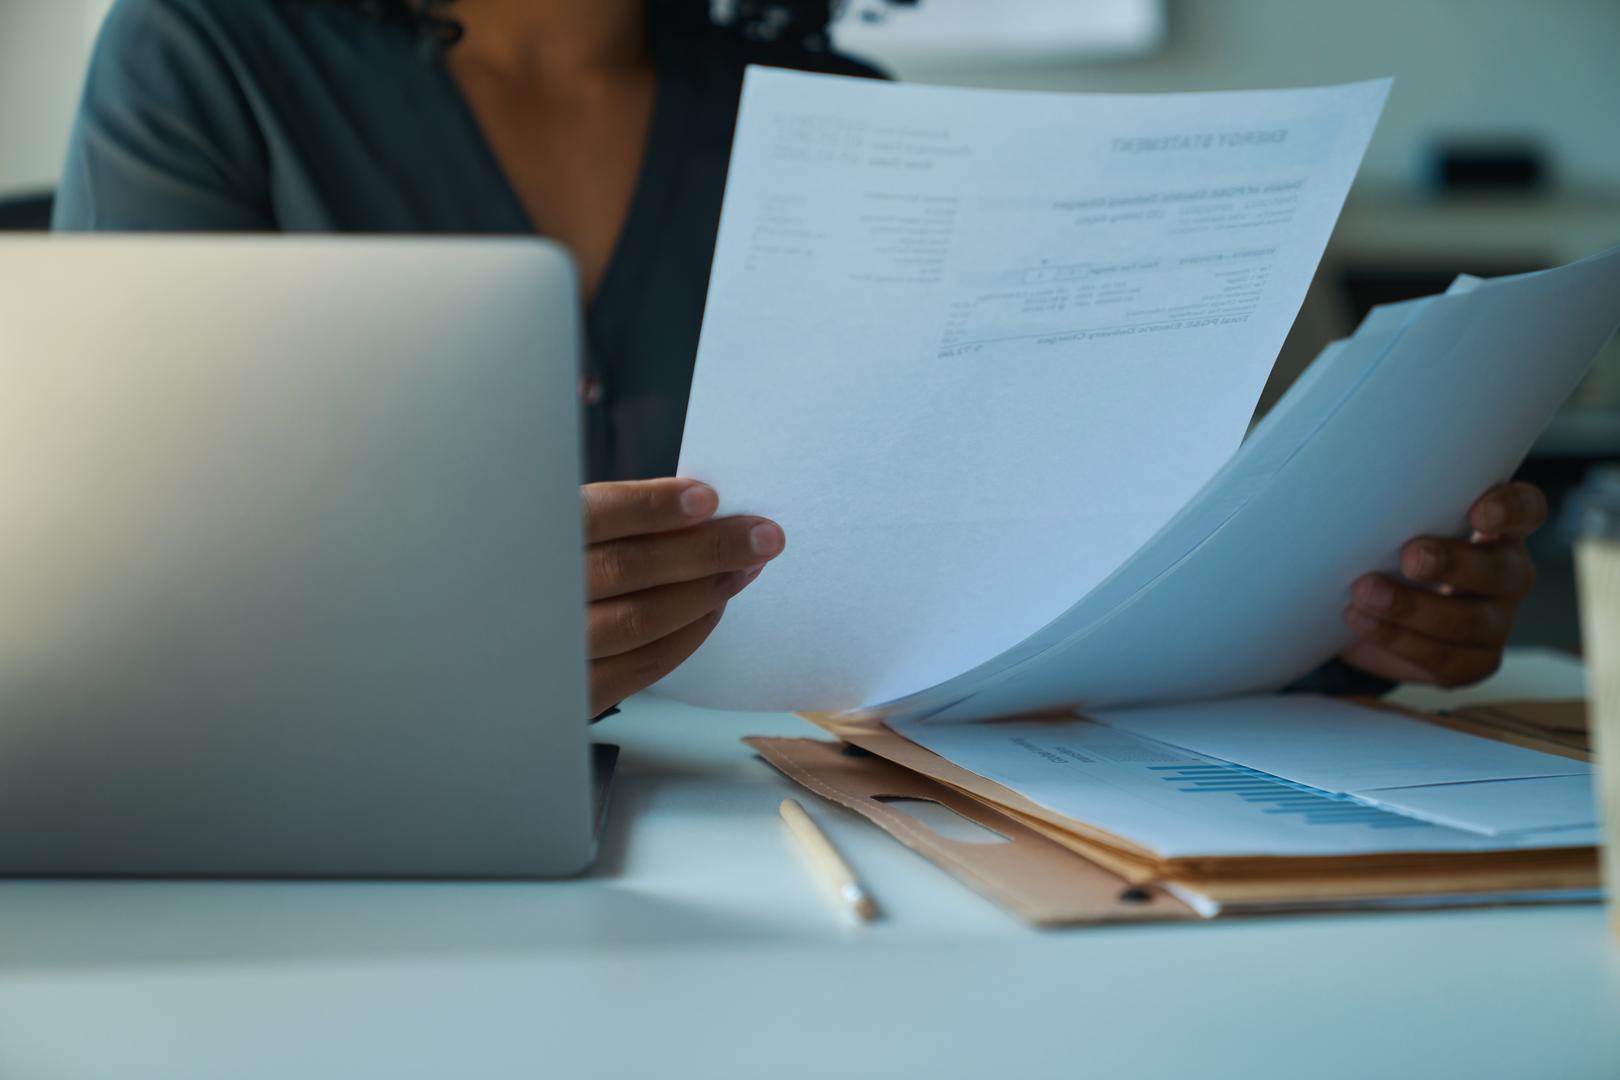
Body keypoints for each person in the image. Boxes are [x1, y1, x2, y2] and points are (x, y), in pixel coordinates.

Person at [54, 0, 1548, 716]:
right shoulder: (206, 61)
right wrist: (436, 643)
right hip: (376, 863)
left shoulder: (847, 111)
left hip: (828, 846)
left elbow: (1021, 587)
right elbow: (113, 585)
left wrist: (1344, 625)